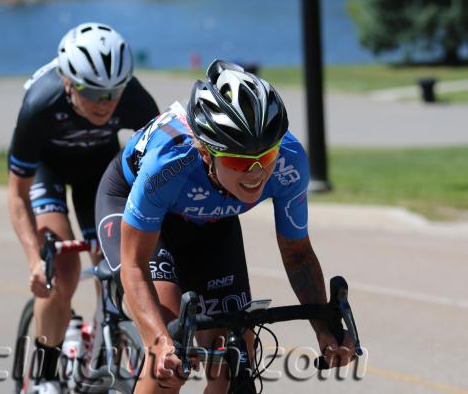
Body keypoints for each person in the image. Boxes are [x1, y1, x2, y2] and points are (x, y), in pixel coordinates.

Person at [94, 60, 356, 393]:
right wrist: (158, 340)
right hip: (138, 209)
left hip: (212, 219)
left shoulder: (289, 159)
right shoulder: (168, 165)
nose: (256, 173)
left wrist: (324, 325)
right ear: (206, 153)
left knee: (234, 359)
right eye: (237, 161)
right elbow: (134, 265)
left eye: (266, 157)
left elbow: (298, 253)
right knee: (171, 355)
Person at [7, 22, 159, 393]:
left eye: (113, 92)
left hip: (100, 172)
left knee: (119, 269)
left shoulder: (135, 100)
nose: (105, 103)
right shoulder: (40, 105)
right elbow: (17, 194)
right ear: (67, 82)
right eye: (93, 92)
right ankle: (45, 376)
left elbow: (159, 174)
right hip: (48, 170)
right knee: (62, 272)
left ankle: (106, 353)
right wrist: (34, 259)